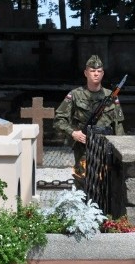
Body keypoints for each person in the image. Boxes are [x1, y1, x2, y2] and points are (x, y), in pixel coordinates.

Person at [53, 55, 125, 192]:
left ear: (103, 73)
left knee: (106, 185)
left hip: (105, 149)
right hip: (83, 149)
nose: (96, 74)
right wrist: (73, 133)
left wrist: (121, 150)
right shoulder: (75, 95)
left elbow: (118, 126)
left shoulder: (111, 96)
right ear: (86, 73)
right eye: (92, 71)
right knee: (83, 184)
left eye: (99, 71)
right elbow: (59, 120)